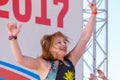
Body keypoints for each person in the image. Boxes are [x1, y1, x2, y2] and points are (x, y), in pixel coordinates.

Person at [7, 2, 97, 80]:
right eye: (59, 42)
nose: (64, 44)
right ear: (49, 48)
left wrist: (93, 13)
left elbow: (84, 37)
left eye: (64, 42)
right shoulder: (43, 64)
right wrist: (13, 37)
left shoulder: (71, 60)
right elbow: (20, 59)